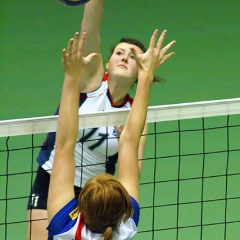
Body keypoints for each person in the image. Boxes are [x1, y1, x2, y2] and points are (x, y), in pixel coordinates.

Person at [27, 1, 171, 239]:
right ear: (107, 62)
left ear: (138, 71)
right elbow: (90, 30)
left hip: (96, 193)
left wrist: (125, 139)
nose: (125, 57)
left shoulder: (135, 116)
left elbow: (133, 167)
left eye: (133, 56)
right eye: (119, 52)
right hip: (53, 178)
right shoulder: (92, 83)